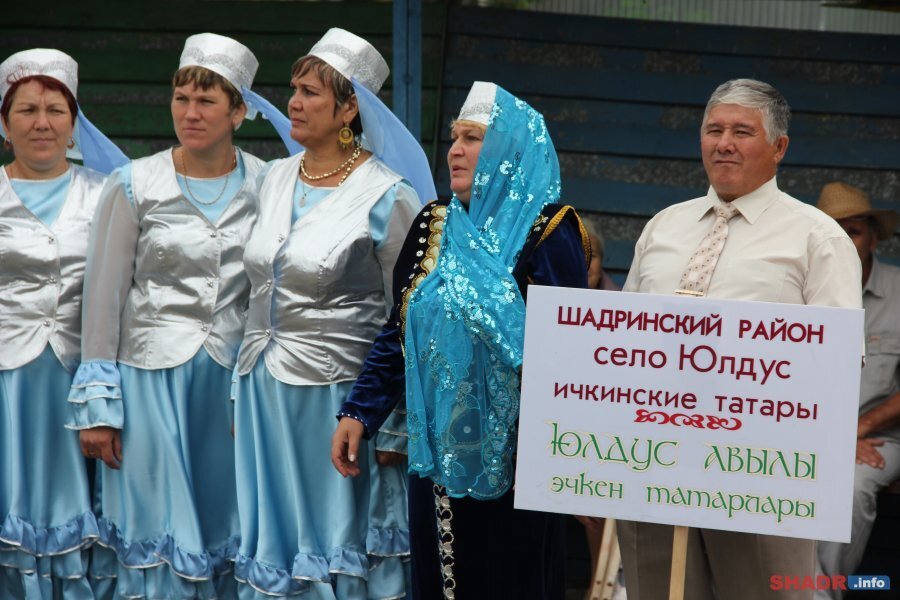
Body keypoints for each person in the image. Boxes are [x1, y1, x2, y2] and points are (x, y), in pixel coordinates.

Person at [332, 81, 591, 599]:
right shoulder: (434, 224)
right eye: (454, 137)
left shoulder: (550, 229)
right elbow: (398, 328)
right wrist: (358, 411)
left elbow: (567, 349)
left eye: (472, 138)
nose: (454, 150)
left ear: (508, 150)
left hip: (519, 462)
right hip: (438, 457)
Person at [618, 78, 862, 600]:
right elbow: (620, 341)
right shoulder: (664, 226)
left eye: (742, 131)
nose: (723, 142)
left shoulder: (816, 237)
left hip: (759, 474)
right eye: (714, 129)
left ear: (779, 148)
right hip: (650, 465)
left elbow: (839, 364)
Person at [67, 33, 290, 598]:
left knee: (229, 521)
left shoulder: (271, 183)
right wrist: (99, 402)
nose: (190, 113)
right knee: (157, 527)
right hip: (150, 383)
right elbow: (104, 295)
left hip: (233, 386)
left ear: (239, 111)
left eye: (207, 101)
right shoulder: (134, 183)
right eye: (182, 98)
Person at [232, 28, 435, 599]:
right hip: (261, 391)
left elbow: (410, 317)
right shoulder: (273, 178)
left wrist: (391, 418)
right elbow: (257, 290)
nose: (293, 102)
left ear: (351, 107)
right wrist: (237, 389)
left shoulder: (388, 195)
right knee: (273, 537)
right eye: (294, 89)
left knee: (336, 540)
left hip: (338, 401)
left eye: (311, 93)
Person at [0, 48, 126, 599]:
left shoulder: (108, 196)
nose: (42, 123)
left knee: (81, 510)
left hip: (82, 384)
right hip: (8, 384)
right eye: (26, 110)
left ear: (75, 123)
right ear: (4, 123)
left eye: (55, 109)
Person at [815, 182, 900, 600]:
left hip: (877, 435)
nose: (844, 243)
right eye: (833, 233)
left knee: (848, 487)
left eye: (852, 232)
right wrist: (829, 435)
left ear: (873, 236)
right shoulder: (800, 292)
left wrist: (856, 428)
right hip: (808, 432)